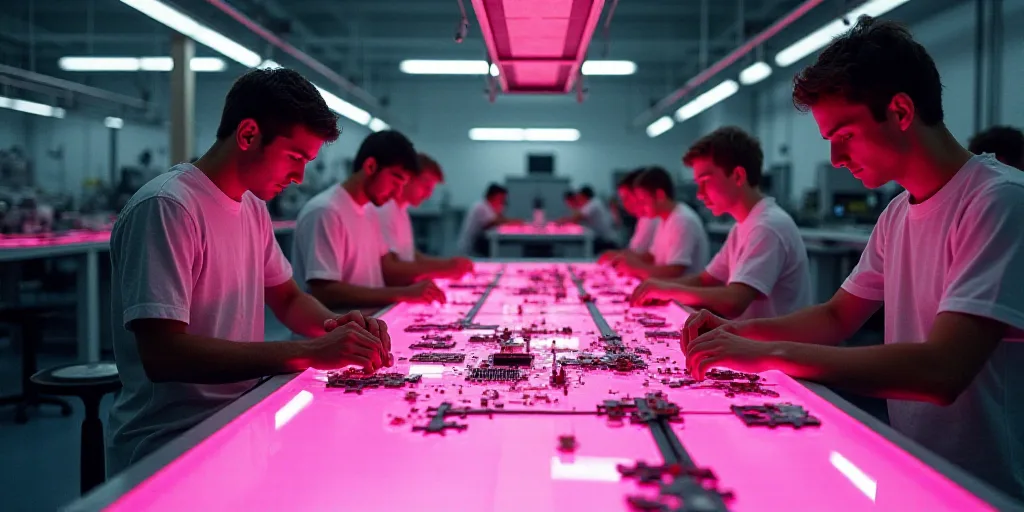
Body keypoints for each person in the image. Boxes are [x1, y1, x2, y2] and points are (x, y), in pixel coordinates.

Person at [682, 17, 1024, 499]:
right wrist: (735, 331)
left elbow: (943, 370)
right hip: (917, 467)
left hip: (990, 490)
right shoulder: (898, 212)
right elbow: (836, 317)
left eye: (844, 134)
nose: (836, 159)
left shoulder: (999, 201)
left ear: (901, 111)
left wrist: (768, 355)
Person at [106, 68, 391, 476]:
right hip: (168, 443)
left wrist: (341, 327)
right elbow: (164, 355)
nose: (299, 176)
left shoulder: (252, 207)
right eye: (295, 157)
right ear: (248, 135)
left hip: (238, 417)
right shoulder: (168, 207)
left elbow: (289, 299)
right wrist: (309, 353)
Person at [630, 127, 811, 320]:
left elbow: (734, 301)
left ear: (738, 176)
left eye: (705, 181)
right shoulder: (742, 225)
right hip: (753, 342)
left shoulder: (767, 226)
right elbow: (706, 279)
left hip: (772, 348)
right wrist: (660, 287)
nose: (699, 194)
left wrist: (670, 290)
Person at [292, 131, 446, 308]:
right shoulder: (327, 211)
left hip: (364, 326)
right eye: (395, 181)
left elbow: (387, 266)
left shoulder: (370, 211)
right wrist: (403, 293)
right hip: (329, 333)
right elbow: (324, 292)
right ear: (371, 166)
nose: (397, 193)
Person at [375, 153, 474, 285]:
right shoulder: (385, 210)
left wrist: (450, 264)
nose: (428, 195)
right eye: (426, 187)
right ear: (407, 178)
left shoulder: (400, 211)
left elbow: (408, 255)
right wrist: (445, 268)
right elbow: (390, 270)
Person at [611, 166, 709, 279]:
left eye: (643, 201)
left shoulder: (682, 220)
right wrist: (626, 259)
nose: (641, 206)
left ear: (660, 195)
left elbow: (674, 271)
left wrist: (636, 268)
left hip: (681, 292)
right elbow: (653, 256)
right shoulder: (665, 218)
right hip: (668, 288)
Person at [598, 168, 660, 265]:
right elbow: (636, 252)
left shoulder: (650, 219)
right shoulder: (645, 218)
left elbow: (636, 254)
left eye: (626, 198)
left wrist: (618, 256)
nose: (624, 204)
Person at [456, 183, 521, 256]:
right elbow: (494, 221)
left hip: (475, 248)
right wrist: (515, 222)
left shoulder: (487, 207)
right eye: (501, 199)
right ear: (493, 196)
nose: (502, 202)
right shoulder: (481, 207)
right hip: (469, 251)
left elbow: (497, 219)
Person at [558, 185, 620, 251]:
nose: (578, 199)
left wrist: (561, 221)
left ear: (584, 196)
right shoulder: (592, 203)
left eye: (579, 196)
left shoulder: (593, 204)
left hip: (607, 242)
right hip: (602, 239)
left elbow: (576, 218)